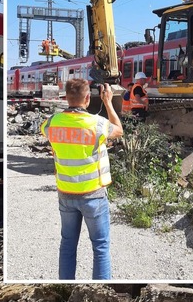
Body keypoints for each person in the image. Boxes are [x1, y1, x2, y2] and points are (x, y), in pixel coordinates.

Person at [40, 78, 123, 280]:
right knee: (100, 247)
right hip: (93, 194)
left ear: (66, 97)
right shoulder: (97, 124)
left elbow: (45, 131)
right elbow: (118, 130)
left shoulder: (52, 123)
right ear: (87, 98)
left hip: (66, 194)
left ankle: (66, 288)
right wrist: (108, 102)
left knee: (67, 245)